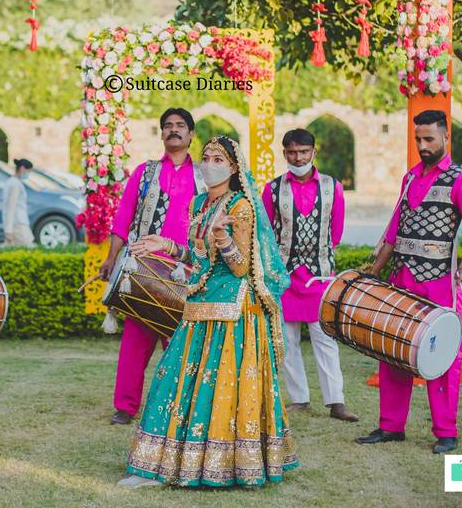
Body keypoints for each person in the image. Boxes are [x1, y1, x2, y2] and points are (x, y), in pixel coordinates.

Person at [117, 136, 297, 488]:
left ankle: (228, 465)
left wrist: (226, 240)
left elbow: (241, 267)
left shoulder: (241, 206)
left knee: (220, 385)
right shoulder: (199, 203)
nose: (209, 163)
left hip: (232, 311)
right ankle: (165, 463)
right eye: (206, 157)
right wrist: (166, 245)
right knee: (176, 378)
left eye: (218, 158)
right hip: (198, 303)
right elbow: (197, 257)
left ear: (233, 167)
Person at [355, 110, 462, 454]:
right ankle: (390, 426)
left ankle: (446, 432)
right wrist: (375, 270)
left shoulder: (461, 180)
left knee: (441, 356)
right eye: (418, 140)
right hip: (401, 280)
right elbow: (394, 228)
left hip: (440, 282)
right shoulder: (410, 177)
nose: (423, 146)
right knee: (392, 350)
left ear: (445, 138)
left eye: (429, 139)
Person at [97, 107, 204, 425]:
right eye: (168, 125)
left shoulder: (204, 174)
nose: (174, 130)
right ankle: (125, 407)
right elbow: (123, 217)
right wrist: (111, 258)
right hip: (143, 269)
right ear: (162, 134)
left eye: (180, 125)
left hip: (185, 270)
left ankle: (182, 405)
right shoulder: (144, 172)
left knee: (182, 342)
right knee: (135, 339)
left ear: (191, 134)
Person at [261, 128, 357, 422]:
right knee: (287, 340)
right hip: (285, 276)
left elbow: (336, 232)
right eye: (292, 152)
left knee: (325, 337)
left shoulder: (332, 187)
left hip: (320, 277)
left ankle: (336, 401)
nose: (298, 157)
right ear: (284, 153)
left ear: (313, 152)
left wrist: (318, 258)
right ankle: (299, 397)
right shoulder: (273, 189)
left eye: (303, 152)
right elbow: (265, 232)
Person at [4, 158, 34, 246]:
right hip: (18, 225)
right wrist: (8, 230)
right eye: (28, 171)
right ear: (22, 168)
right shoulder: (15, 184)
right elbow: (11, 207)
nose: (28, 174)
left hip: (18, 223)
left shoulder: (11, 182)